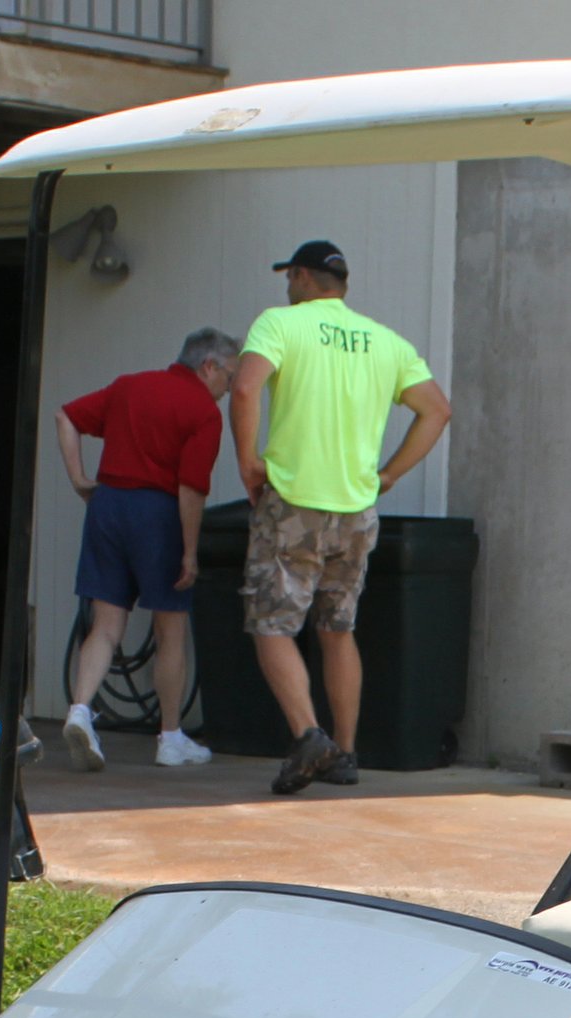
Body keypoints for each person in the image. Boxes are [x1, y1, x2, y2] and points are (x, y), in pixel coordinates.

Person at [230, 237, 451, 793]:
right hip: (356, 508)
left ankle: (309, 736)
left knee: (271, 623)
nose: (288, 286)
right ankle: (345, 754)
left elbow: (245, 388)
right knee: (337, 628)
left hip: (294, 500)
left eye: (290, 276)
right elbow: (436, 410)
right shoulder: (387, 342)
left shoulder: (280, 324)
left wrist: (248, 462)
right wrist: (389, 473)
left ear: (303, 278)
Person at [56, 326, 240, 770]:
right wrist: (190, 553)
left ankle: (80, 710)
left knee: (105, 625)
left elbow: (66, 417)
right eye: (229, 377)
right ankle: (170, 739)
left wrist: (80, 480)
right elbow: (191, 489)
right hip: (158, 514)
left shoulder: (129, 386)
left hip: (108, 507)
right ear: (208, 366)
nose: (230, 388)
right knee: (170, 630)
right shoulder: (203, 411)